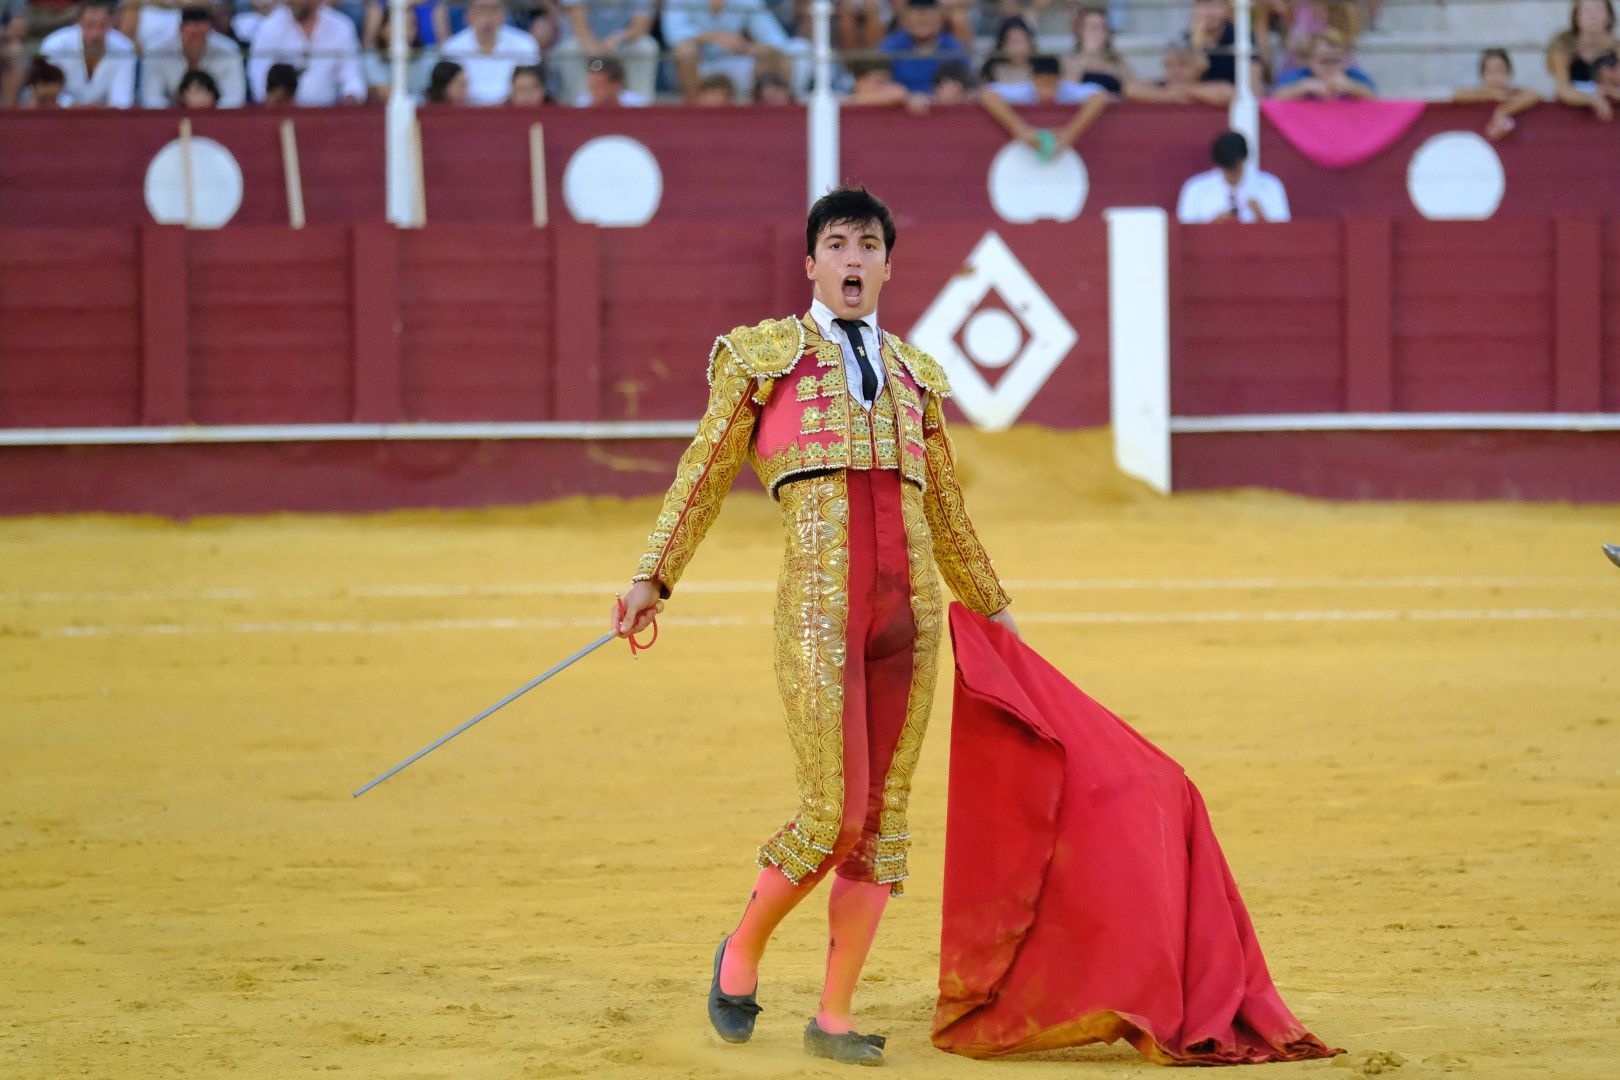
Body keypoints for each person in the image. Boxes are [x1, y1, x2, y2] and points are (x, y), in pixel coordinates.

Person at [612, 185, 1017, 1067]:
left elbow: (944, 505)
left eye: (868, 245)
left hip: (910, 620)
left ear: (887, 264)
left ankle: (834, 1015)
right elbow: (705, 469)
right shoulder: (763, 357)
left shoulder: (916, 374)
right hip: (820, 615)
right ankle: (743, 951)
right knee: (832, 813)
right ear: (811, 262)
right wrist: (654, 573)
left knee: (885, 821)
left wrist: (992, 605)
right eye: (837, 244)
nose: (853, 260)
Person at [663, 0, 808, 103]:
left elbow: (775, 41)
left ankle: (770, 109)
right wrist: (713, 37)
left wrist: (745, 47)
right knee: (685, 51)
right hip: (696, 65)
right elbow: (674, 36)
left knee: (793, 49)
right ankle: (694, 110)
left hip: (733, 62)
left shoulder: (747, 2)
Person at [981, 54, 1108, 158]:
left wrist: (1071, 133)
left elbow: (1100, 97)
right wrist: (1020, 129)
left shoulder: (1066, 89)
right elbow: (986, 94)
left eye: (1051, 84)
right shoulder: (1025, 90)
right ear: (1033, 80)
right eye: (1042, 84)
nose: (1047, 91)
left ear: (1059, 80)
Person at [248, 0, 366, 104]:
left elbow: (352, 75)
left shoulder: (341, 28)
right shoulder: (269, 28)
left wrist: (352, 97)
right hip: (282, 115)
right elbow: (259, 77)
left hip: (328, 116)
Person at [550, 0, 657, 106]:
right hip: (587, 41)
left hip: (623, 43)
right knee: (569, 51)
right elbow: (577, 18)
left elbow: (642, 23)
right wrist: (592, 46)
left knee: (646, 47)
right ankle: (580, 105)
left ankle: (641, 105)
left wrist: (618, 38)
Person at [140, 4, 246, 107]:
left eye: (202, 36)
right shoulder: (157, 53)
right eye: (192, 36)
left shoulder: (228, 52)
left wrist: (208, 110)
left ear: (210, 31)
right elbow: (151, 100)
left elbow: (234, 99)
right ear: (180, 30)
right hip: (169, 119)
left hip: (215, 118)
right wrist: (181, 109)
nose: (196, 42)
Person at [1176, 129, 1291, 223]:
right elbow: (1185, 229)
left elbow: (1284, 234)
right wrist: (1212, 226)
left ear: (1244, 159)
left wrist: (1261, 217)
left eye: (1234, 168)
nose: (1231, 174)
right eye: (1227, 168)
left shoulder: (1269, 186)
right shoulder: (1196, 188)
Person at [440, 0, 541, 105]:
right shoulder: (452, 47)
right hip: (466, 111)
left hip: (512, 110)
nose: (487, 17)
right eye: (481, 10)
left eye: (493, 10)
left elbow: (531, 85)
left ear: (504, 14)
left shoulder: (525, 44)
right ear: (468, 15)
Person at [38, 0, 137, 107]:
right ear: (78, 23)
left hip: (106, 118)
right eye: (90, 25)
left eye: (102, 26)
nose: (95, 34)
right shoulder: (54, 44)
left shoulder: (124, 48)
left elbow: (122, 100)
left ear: (111, 23)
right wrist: (73, 106)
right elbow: (49, 94)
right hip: (61, 116)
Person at [1546, 0, 1618, 120]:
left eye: (1598, 10)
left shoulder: (1616, 49)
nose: (1593, 16)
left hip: (1609, 116)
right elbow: (1562, 88)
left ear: (1609, 16)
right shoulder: (1563, 45)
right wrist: (1590, 98)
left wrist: (1609, 91)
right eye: (1586, 11)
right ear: (1576, 17)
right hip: (1572, 114)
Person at [878, 0, 967, 94]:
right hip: (900, 103)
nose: (922, 17)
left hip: (940, 103)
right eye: (915, 14)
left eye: (928, 15)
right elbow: (877, 83)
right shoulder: (890, 47)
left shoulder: (953, 48)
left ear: (941, 20)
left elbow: (964, 85)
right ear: (904, 21)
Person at [1452, 48, 1540, 139]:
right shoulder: (1476, 94)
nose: (1495, 77)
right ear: (1482, 75)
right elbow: (1457, 95)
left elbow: (1534, 95)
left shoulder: (1514, 92)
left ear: (1510, 73)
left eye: (1500, 70)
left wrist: (1502, 111)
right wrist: (1492, 95)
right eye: (1489, 71)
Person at [362, 0, 436, 103]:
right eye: (400, 24)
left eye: (412, 24)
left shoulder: (429, 57)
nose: (407, 30)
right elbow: (386, 95)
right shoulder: (370, 59)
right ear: (382, 29)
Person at [1271, 28, 1375, 98]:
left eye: (1336, 61)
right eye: (1324, 61)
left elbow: (1378, 102)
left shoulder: (1354, 76)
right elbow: (1273, 100)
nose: (1330, 66)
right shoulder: (1298, 76)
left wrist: (1353, 87)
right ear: (1309, 61)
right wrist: (1302, 87)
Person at [1126, 43, 1233, 104]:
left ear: (1200, 66)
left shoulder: (1210, 83)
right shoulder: (1160, 85)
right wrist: (1166, 96)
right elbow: (1130, 89)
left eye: (1183, 64)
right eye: (1169, 65)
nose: (1175, 71)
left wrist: (1186, 90)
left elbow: (1228, 94)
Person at [1063, 5, 1130, 94]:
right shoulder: (1068, 62)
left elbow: (1132, 89)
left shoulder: (1117, 62)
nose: (1098, 32)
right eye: (1092, 27)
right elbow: (1066, 93)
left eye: (1103, 27)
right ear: (1079, 31)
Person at [979, 14, 1034, 86]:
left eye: (1020, 40)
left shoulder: (1043, 70)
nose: (1017, 46)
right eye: (1012, 41)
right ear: (1003, 45)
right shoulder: (990, 72)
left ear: (1030, 43)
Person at [574, 54, 647, 105]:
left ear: (617, 85)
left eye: (599, 85)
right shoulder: (581, 105)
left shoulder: (637, 105)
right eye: (591, 84)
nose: (593, 90)